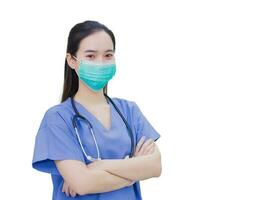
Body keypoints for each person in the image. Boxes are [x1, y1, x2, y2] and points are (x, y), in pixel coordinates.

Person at [32, 20, 162, 200]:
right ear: (71, 60)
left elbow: (155, 167)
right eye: (91, 56)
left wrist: (98, 166)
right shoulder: (58, 118)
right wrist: (134, 169)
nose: (101, 63)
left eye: (108, 55)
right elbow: (83, 184)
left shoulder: (129, 111)